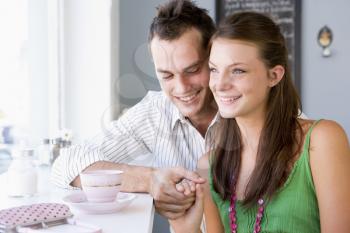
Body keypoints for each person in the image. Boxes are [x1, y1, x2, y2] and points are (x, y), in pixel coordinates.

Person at [170, 12, 350, 233]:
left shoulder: (322, 141)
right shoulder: (209, 165)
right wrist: (185, 229)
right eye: (215, 69)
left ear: (274, 76)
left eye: (238, 70)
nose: (220, 84)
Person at [51, 0, 217, 219]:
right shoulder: (154, 113)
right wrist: (149, 180)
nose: (182, 87)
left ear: (213, 56)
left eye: (192, 70)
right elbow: (67, 164)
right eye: (167, 75)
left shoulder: (246, 104)